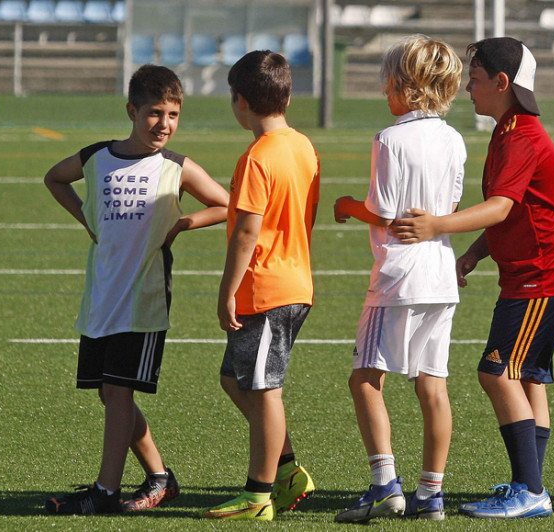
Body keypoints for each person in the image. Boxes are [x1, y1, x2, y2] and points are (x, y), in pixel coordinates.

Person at [391, 36, 554, 519]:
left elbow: (500, 207)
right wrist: (476, 253)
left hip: (543, 277)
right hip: (535, 275)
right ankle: (528, 483)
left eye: (475, 81)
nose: (468, 89)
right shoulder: (508, 128)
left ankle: (531, 492)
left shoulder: (521, 134)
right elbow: (514, 212)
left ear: (502, 83)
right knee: (527, 378)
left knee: (495, 371)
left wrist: (435, 226)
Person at [43, 65, 229, 515]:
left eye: (173, 114)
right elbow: (54, 177)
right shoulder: (96, 158)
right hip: (101, 299)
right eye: (154, 113)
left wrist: (183, 223)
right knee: (110, 393)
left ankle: (105, 492)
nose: (164, 124)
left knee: (119, 391)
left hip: (143, 302)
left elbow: (227, 204)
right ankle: (160, 477)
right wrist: (86, 219)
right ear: (132, 110)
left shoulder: (175, 167)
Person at [331, 35, 465, 524]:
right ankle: (432, 494)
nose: (384, 90)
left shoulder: (390, 138)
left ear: (407, 88)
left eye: (388, 81)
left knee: (365, 377)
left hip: (396, 277)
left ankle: (385, 482)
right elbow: (445, 208)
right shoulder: (454, 137)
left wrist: (347, 206)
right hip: (439, 273)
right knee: (433, 385)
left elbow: (385, 213)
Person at [202, 50, 320, 521]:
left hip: (268, 289)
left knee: (264, 389)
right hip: (291, 280)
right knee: (235, 380)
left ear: (240, 102)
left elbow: (247, 232)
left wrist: (226, 289)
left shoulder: (257, 157)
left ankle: (257, 495)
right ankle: (287, 469)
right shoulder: (304, 145)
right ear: (287, 95)